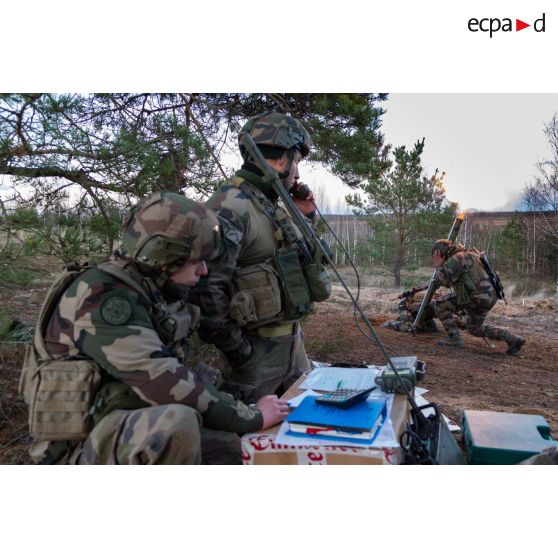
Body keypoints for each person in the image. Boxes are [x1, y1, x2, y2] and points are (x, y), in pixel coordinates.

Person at [18, 191, 289, 465]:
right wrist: (251, 416)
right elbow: (162, 380)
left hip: (114, 426)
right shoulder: (101, 297)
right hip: (75, 449)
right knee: (177, 425)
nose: (204, 271)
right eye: (196, 260)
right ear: (163, 255)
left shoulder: (144, 287)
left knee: (233, 449)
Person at [190, 112, 329, 403]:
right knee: (249, 444)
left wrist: (307, 215)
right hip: (254, 361)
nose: (298, 175)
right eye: (297, 163)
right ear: (282, 159)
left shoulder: (268, 203)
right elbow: (205, 290)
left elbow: (300, 257)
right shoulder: (230, 206)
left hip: (293, 349)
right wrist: (240, 352)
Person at [431, 239, 525, 354]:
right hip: (489, 296)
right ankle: (512, 338)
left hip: (476, 296)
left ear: (441, 253)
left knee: (440, 304)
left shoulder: (458, 258)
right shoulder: (471, 254)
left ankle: (454, 339)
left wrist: (438, 265)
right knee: (474, 328)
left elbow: (444, 281)